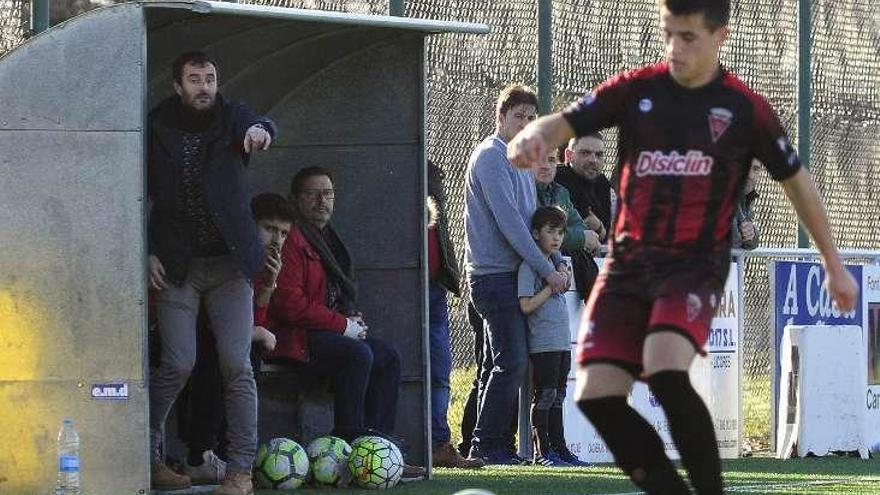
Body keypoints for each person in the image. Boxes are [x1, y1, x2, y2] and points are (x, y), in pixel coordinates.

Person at [506, 0, 858, 492]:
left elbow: (798, 183)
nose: (675, 47)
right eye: (668, 33)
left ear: (721, 36)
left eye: (688, 36)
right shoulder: (638, 89)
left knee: (666, 368)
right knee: (595, 395)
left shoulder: (744, 108)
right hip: (627, 266)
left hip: (692, 266)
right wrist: (536, 134)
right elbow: (563, 122)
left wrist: (833, 262)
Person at [147, 51, 275, 495]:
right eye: (195, 79)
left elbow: (257, 123)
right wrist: (146, 252)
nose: (204, 87)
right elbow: (135, 193)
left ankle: (240, 471)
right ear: (178, 86)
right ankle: (148, 458)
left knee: (236, 365)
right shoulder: (156, 127)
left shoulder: (231, 116)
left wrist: (260, 132)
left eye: (210, 78)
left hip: (229, 265)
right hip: (178, 265)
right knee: (178, 364)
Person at [265, 166, 425, 481]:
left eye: (328, 193)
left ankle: (379, 452)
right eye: (312, 193)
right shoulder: (293, 237)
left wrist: (351, 319)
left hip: (325, 333)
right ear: (296, 199)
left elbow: (334, 294)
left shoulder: (328, 238)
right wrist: (342, 325)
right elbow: (288, 304)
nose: (321, 201)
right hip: (294, 338)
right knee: (357, 355)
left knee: (387, 357)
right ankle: (349, 449)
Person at [464, 84, 570, 465]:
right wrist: (548, 270)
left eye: (531, 118)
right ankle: (486, 444)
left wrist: (554, 261)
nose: (525, 124)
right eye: (518, 116)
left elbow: (535, 223)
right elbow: (511, 225)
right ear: (501, 117)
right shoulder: (491, 157)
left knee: (500, 363)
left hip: (519, 274)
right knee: (511, 361)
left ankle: (492, 445)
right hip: (494, 277)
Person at [178, 193, 291, 485]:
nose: (277, 239)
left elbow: (251, 321)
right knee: (229, 352)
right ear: (248, 226)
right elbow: (213, 325)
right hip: (187, 338)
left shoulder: (264, 264)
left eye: (283, 233)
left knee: (244, 351)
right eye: (269, 228)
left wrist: (267, 287)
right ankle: (200, 454)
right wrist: (257, 332)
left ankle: (228, 456)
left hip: (221, 340)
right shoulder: (228, 255)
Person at [518, 206, 588, 467]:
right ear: (536, 234)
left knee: (559, 396)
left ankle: (561, 449)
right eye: (550, 231)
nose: (556, 237)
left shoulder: (556, 265)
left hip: (561, 342)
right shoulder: (531, 267)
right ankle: (542, 451)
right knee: (545, 396)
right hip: (543, 344)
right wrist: (551, 286)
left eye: (560, 232)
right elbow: (525, 305)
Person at [427, 162, 484, 469]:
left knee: (440, 368)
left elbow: (441, 229)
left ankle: (438, 443)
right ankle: (411, 441)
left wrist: (448, 272)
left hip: (435, 286)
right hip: (404, 288)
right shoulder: (393, 170)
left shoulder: (432, 175)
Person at [535, 148, 602, 303]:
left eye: (551, 160)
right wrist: (579, 238)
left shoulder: (560, 192)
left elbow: (580, 226)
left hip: (560, 276)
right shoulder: (523, 191)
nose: (546, 166)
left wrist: (581, 236)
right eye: (540, 160)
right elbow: (538, 234)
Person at [555, 133, 616, 244]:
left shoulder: (603, 183)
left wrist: (599, 227)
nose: (593, 160)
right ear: (569, 155)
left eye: (599, 155)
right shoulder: (556, 178)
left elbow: (607, 235)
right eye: (585, 153)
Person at [732, 159, 761, 250]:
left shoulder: (745, 197)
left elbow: (750, 244)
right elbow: (734, 241)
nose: (750, 175)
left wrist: (752, 233)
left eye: (755, 169)